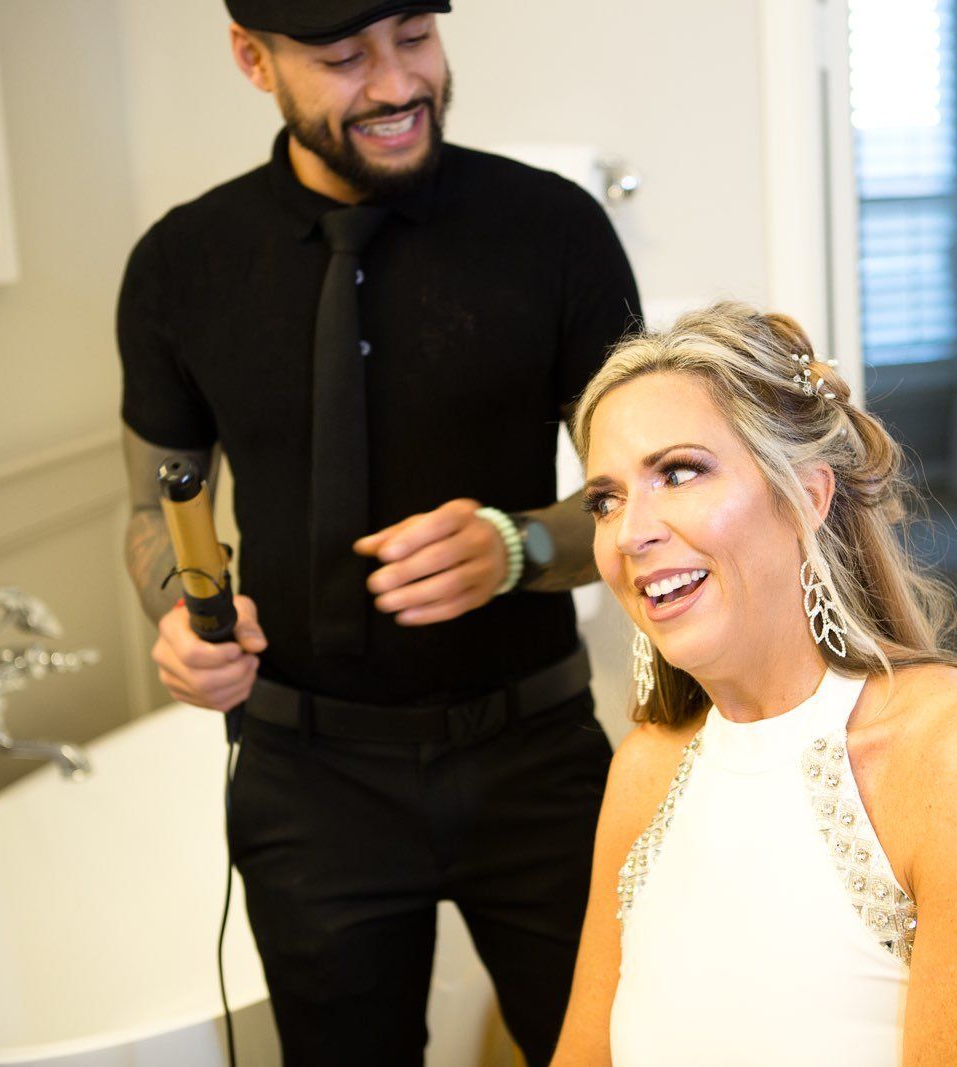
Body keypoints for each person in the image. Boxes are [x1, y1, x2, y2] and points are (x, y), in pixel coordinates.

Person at [114, 2, 640, 1063]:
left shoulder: (556, 228)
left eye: (416, 38)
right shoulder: (180, 262)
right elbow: (147, 508)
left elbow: (647, 499)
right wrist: (180, 608)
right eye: (344, 58)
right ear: (250, 58)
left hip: (536, 759)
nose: (398, 85)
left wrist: (518, 546)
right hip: (306, 783)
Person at [549, 303, 957, 1065]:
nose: (631, 532)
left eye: (679, 471)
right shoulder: (644, 770)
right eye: (607, 499)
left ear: (807, 495)